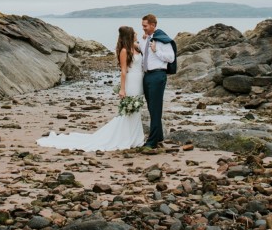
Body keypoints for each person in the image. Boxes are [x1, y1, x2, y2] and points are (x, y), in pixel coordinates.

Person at [36, 26, 145, 152]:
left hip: (139, 81)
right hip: (131, 81)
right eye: (134, 32)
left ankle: (135, 136)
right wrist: (122, 89)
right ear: (129, 35)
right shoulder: (125, 51)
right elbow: (124, 71)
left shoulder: (136, 47)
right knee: (129, 110)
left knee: (137, 108)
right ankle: (125, 137)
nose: (136, 33)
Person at [139, 14, 175, 149]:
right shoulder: (146, 39)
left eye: (145, 26)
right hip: (147, 76)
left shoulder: (163, 40)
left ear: (153, 25)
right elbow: (142, 52)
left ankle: (152, 141)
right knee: (151, 108)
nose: (143, 28)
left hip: (158, 75)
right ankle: (159, 136)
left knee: (155, 109)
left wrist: (157, 51)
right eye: (142, 25)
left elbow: (171, 58)